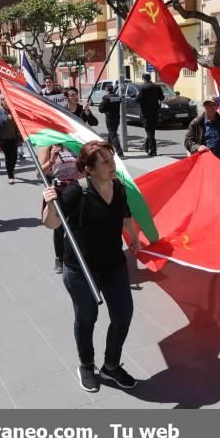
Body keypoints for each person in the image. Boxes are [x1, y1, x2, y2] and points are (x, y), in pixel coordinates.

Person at [41, 141, 140, 393]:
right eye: (105, 161)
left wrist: (134, 237)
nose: (112, 164)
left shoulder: (118, 187)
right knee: (87, 318)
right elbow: (51, 224)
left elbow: (125, 214)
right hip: (80, 268)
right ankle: (87, 365)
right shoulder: (77, 192)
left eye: (112, 158)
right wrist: (50, 202)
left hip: (113, 264)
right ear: (89, 169)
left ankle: (111, 365)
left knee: (123, 315)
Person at [39, 143, 83, 274]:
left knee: (77, 223)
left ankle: (77, 255)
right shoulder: (47, 146)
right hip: (58, 189)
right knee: (59, 226)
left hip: (76, 188)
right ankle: (59, 257)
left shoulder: (73, 143)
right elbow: (39, 173)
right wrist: (52, 160)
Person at [183, 97, 220, 171]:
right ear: (204, 107)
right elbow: (188, 141)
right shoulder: (196, 123)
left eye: (213, 105)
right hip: (204, 162)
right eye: (207, 105)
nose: (210, 108)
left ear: (217, 107)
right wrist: (198, 147)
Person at [135, 73, 164, 156]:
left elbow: (137, 100)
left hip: (146, 113)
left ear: (143, 79)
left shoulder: (142, 87)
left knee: (149, 132)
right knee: (151, 131)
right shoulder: (157, 86)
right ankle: (147, 147)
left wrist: (138, 96)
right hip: (155, 112)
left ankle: (153, 150)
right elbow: (162, 98)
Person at [0, 98, 23, 185]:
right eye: (4, 100)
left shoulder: (12, 110)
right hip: (4, 139)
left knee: (14, 157)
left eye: (8, 100)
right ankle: (10, 176)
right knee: (8, 157)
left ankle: (11, 170)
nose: (6, 102)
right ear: (2, 101)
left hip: (13, 137)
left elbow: (18, 123)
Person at [98, 85, 124, 157]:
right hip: (117, 118)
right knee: (112, 134)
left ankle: (120, 153)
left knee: (113, 135)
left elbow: (101, 110)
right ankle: (108, 149)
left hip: (110, 119)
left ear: (106, 90)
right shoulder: (117, 97)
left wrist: (104, 98)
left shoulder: (106, 98)